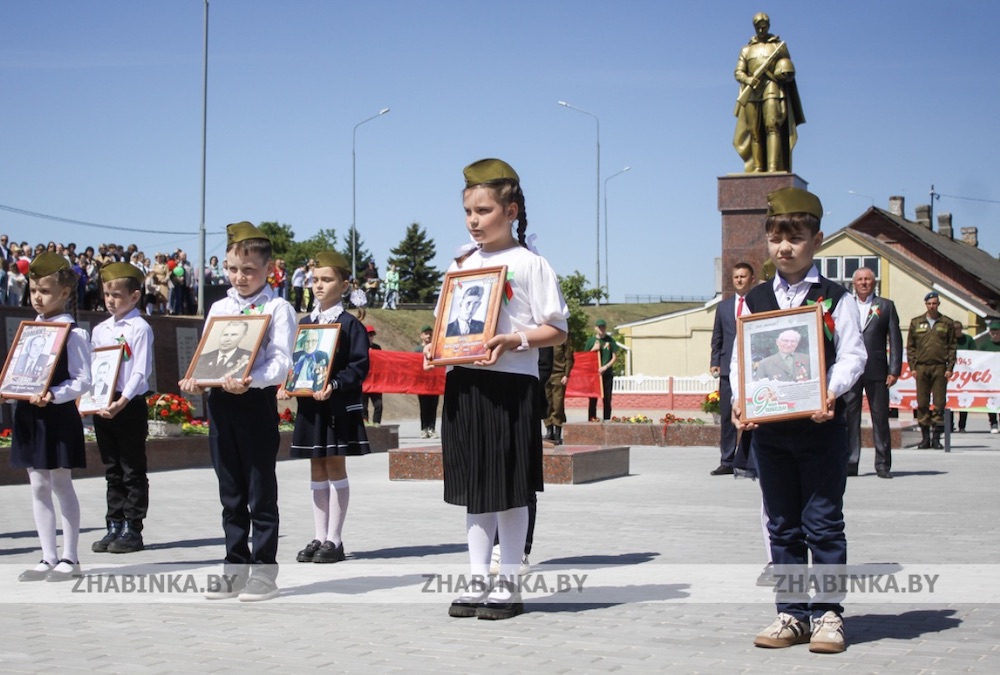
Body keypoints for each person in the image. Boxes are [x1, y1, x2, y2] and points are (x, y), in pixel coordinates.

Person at [429, 158, 569, 621]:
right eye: (468, 212)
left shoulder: (530, 264)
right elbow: (442, 324)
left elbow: (558, 329)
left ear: (510, 211)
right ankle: (477, 578)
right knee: (476, 486)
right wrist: (434, 349)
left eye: (483, 211)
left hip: (510, 386)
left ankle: (508, 582)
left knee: (508, 487)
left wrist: (514, 339)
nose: (473, 221)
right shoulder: (461, 265)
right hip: (464, 383)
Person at [732, 187, 865, 654]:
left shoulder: (835, 297)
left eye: (795, 238)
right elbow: (740, 359)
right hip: (771, 431)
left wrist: (830, 390)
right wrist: (740, 399)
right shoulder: (756, 298)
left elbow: (853, 355)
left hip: (820, 428)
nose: (784, 248)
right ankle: (791, 613)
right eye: (776, 238)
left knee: (823, 522)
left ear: (817, 240)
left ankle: (828, 614)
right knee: (782, 524)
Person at [179, 221, 295, 602]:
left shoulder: (277, 307)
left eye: (248, 270)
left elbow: (281, 362)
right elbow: (207, 356)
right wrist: (197, 380)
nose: (239, 277)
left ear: (268, 269)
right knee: (230, 492)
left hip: (254, 402)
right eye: (232, 269)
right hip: (221, 404)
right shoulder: (220, 307)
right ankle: (234, 567)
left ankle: (264, 573)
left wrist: (252, 380)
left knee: (259, 492)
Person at [279, 251, 370, 565]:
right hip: (310, 406)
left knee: (335, 467)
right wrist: (288, 383)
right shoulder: (306, 323)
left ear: (343, 285)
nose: (318, 285)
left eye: (327, 279)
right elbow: (296, 362)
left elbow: (359, 367)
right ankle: (319, 536)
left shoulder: (350, 324)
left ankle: (335, 539)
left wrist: (335, 384)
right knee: (316, 468)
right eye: (315, 279)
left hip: (337, 407)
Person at [7, 252, 92, 582]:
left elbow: (83, 380)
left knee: (61, 482)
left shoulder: (73, 333)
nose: (37, 298)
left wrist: (54, 394)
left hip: (56, 415)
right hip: (29, 414)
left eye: (44, 291)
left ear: (65, 292)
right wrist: (8, 389)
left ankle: (70, 557)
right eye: (33, 291)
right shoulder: (30, 330)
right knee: (38, 485)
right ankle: (48, 555)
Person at [89, 262, 154, 554]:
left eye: (117, 295)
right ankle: (113, 524)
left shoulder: (140, 328)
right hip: (104, 402)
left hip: (128, 404)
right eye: (107, 294)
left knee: (132, 469)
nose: (110, 300)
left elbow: (140, 371)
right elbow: (95, 367)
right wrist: (91, 399)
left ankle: (132, 528)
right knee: (112, 469)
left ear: (134, 296)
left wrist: (122, 401)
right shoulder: (101, 329)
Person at [844, 267, 902, 478]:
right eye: (860, 279)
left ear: (874, 282)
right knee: (850, 418)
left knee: (880, 418)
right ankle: (851, 463)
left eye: (867, 279)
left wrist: (894, 369)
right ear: (854, 284)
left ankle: (883, 464)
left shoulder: (885, 306)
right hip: (851, 369)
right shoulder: (845, 305)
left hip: (877, 369)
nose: (864, 283)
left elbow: (895, 339)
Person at [733, 12, 805, 173]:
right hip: (752, 91)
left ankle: (773, 167)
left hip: (772, 88)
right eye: (758, 27)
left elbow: (788, 69)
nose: (761, 30)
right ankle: (758, 167)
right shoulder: (746, 50)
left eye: (764, 27)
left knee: (772, 127)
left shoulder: (778, 47)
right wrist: (748, 80)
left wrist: (784, 74)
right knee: (754, 131)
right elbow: (738, 72)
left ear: (768, 26)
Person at [709, 262, 755, 475]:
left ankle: (747, 459)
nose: (739, 280)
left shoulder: (758, 303)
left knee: (752, 414)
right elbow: (717, 336)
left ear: (751, 279)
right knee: (728, 415)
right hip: (728, 369)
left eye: (743, 276)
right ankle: (727, 460)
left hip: (754, 368)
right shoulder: (724, 307)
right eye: (736, 277)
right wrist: (715, 361)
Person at [906, 292, 956, 450]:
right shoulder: (916, 322)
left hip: (940, 367)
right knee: (922, 403)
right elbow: (911, 347)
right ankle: (925, 438)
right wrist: (912, 367)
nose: (932, 306)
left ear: (938, 304)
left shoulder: (947, 323)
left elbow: (952, 347)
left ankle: (936, 438)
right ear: (925, 304)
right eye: (929, 304)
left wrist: (950, 367)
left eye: (934, 303)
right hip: (921, 367)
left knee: (939, 403)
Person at [585, 319, 617, 421]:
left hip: (606, 374)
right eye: (599, 327)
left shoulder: (610, 341)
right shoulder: (591, 341)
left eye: (603, 327)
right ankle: (592, 420)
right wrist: (593, 349)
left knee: (607, 399)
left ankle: (607, 420)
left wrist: (605, 367)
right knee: (592, 400)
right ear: (595, 328)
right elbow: (585, 357)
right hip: (594, 375)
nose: (602, 329)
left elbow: (614, 357)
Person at [544, 340, 574, 445]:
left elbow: (569, 357)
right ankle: (549, 430)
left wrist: (566, 374)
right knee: (546, 403)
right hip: (545, 373)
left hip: (559, 374)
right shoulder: (543, 335)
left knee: (558, 404)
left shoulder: (563, 337)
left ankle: (557, 430)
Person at [975, 320, 1000, 433]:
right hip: (990, 379)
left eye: (997, 333)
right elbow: (977, 360)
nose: (995, 335)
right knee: (992, 401)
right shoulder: (984, 345)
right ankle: (993, 423)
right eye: (992, 333)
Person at [415, 325, 439, 438]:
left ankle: (432, 428)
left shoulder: (436, 348)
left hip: (434, 383)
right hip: (422, 383)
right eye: (426, 333)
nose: (428, 336)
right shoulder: (418, 350)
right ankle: (424, 429)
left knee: (433, 406)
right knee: (424, 406)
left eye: (430, 333)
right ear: (421, 336)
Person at [952, 321, 977, 433]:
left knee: (963, 400)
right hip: (952, 373)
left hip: (965, 374)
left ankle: (962, 426)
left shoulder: (968, 339)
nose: (956, 331)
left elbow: (974, 354)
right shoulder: (948, 339)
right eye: (954, 329)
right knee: (950, 400)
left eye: (957, 329)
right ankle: (949, 425)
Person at [362, 325, 383, 424]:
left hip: (375, 382)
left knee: (378, 404)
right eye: (368, 335)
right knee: (363, 405)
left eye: (371, 335)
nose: (370, 337)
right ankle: (365, 422)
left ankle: (376, 423)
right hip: (364, 381)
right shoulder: (360, 347)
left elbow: (382, 362)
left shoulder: (377, 348)